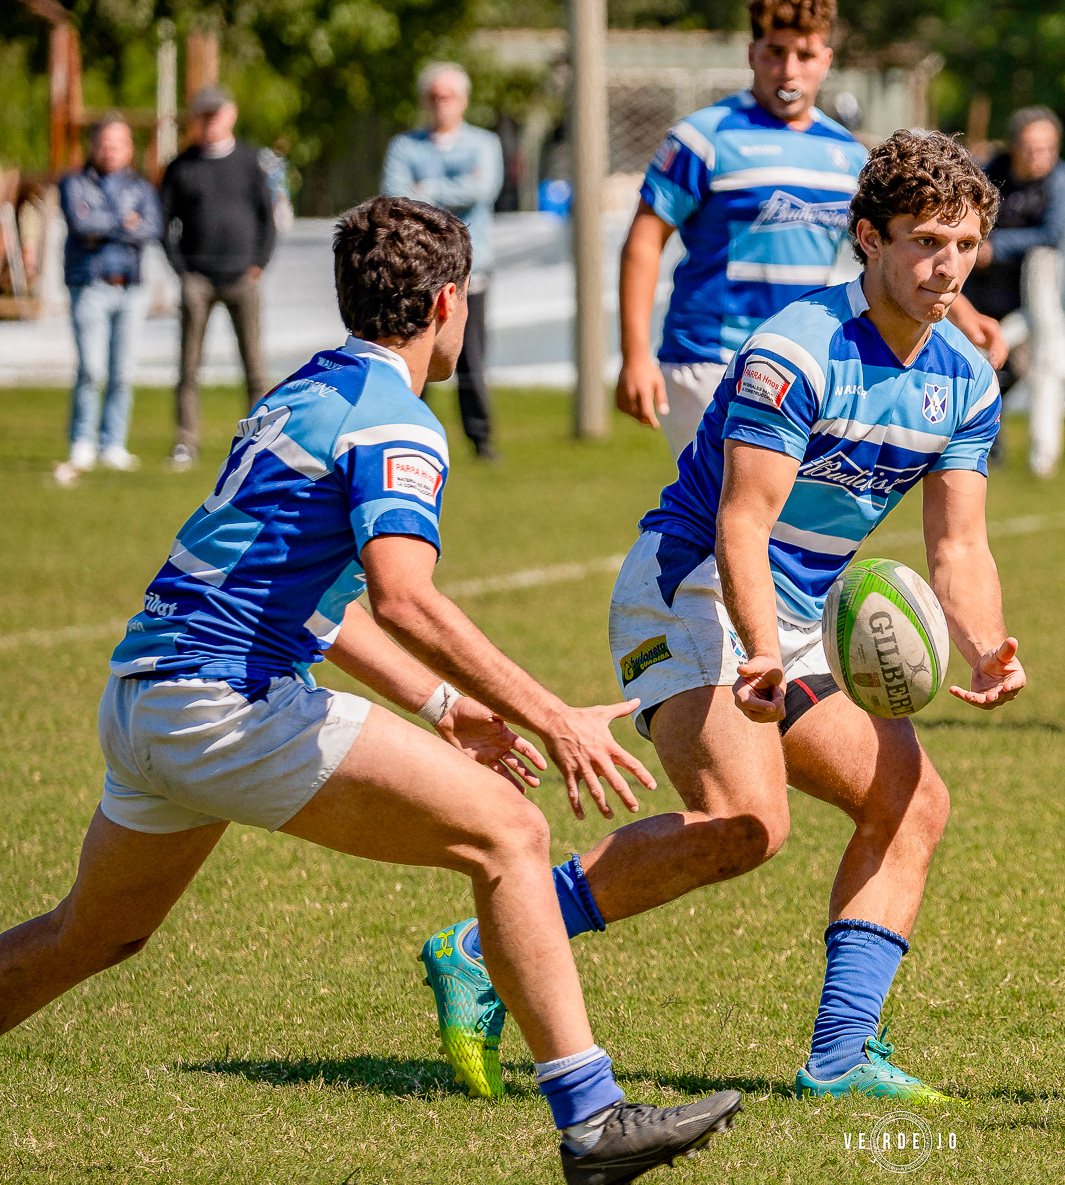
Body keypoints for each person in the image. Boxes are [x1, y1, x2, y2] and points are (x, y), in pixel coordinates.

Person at [0, 196, 739, 1184]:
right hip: (229, 699)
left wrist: (441, 707)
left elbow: (321, 602)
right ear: (448, 302)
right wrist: (549, 716)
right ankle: (594, 1121)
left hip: (148, 698)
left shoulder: (305, 391)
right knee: (510, 837)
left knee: (93, 934)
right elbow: (401, 596)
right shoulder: (399, 423)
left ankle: (594, 1121)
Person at [420, 130, 1025, 1104]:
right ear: (868, 239)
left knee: (912, 799)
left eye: (962, 243)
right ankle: (482, 947)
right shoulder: (795, 351)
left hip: (797, 613)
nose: (944, 264)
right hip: (690, 585)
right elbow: (743, 524)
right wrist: (756, 651)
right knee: (746, 822)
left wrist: (987, 645)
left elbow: (958, 545)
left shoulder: (966, 381)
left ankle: (839, 1059)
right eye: (922, 241)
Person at [615, 0, 1007, 459]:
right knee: (740, 509)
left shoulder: (846, 153)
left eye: (804, 55)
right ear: (750, 54)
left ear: (826, 59)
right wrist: (635, 356)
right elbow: (644, 241)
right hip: (711, 356)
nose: (788, 69)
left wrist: (964, 315)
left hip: (801, 357)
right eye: (774, 52)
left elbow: (899, 251)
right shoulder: (703, 138)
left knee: (774, 516)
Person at [383, 62, 505, 463]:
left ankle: (480, 440)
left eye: (448, 96)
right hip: (416, 271)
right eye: (434, 97)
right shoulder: (405, 146)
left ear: (463, 100)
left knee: (470, 359)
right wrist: (454, 190)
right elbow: (396, 197)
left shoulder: (484, 143)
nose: (441, 104)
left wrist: (428, 188)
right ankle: (413, 432)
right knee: (413, 352)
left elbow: (483, 187)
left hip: (472, 270)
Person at [161, 86, 276, 472]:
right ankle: (186, 441)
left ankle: (260, 441)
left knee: (255, 366)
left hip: (244, 277)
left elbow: (267, 217)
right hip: (198, 279)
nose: (210, 121)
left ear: (232, 114)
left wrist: (259, 262)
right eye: (203, 114)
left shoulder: (249, 161)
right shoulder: (181, 166)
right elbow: (165, 223)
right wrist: (181, 269)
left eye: (216, 113)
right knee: (189, 366)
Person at [54, 116, 161, 487]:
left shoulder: (142, 187)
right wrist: (124, 223)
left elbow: (152, 228)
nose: (110, 150)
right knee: (91, 369)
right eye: (104, 143)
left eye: (118, 143)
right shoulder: (74, 182)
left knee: (122, 372)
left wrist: (111, 225)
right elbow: (82, 226)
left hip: (130, 287)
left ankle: (113, 443)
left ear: (129, 148)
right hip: (90, 285)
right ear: (93, 145)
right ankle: (81, 440)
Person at [960, 105, 1065, 433]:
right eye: (1031, 148)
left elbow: (1052, 234)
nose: (1039, 156)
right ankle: (982, 434)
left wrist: (997, 247)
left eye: (1047, 148)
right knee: (976, 360)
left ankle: (988, 429)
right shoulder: (990, 171)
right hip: (981, 287)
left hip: (1029, 294)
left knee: (1013, 365)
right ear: (1014, 146)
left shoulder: (1061, 179)